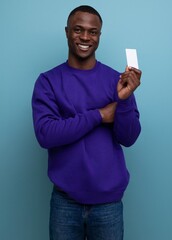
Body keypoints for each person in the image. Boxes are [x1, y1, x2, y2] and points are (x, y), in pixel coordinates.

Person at [32, 5, 142, 240]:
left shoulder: (117, 81)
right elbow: (47, 134)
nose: (85, 37)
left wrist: (124, 101)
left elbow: (129, 138)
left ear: (99, 36)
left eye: (93, 32)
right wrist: (100, 115)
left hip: (108, 204)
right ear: (67, 32)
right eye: (78, 30)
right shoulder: (48, 82)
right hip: (65, 202)